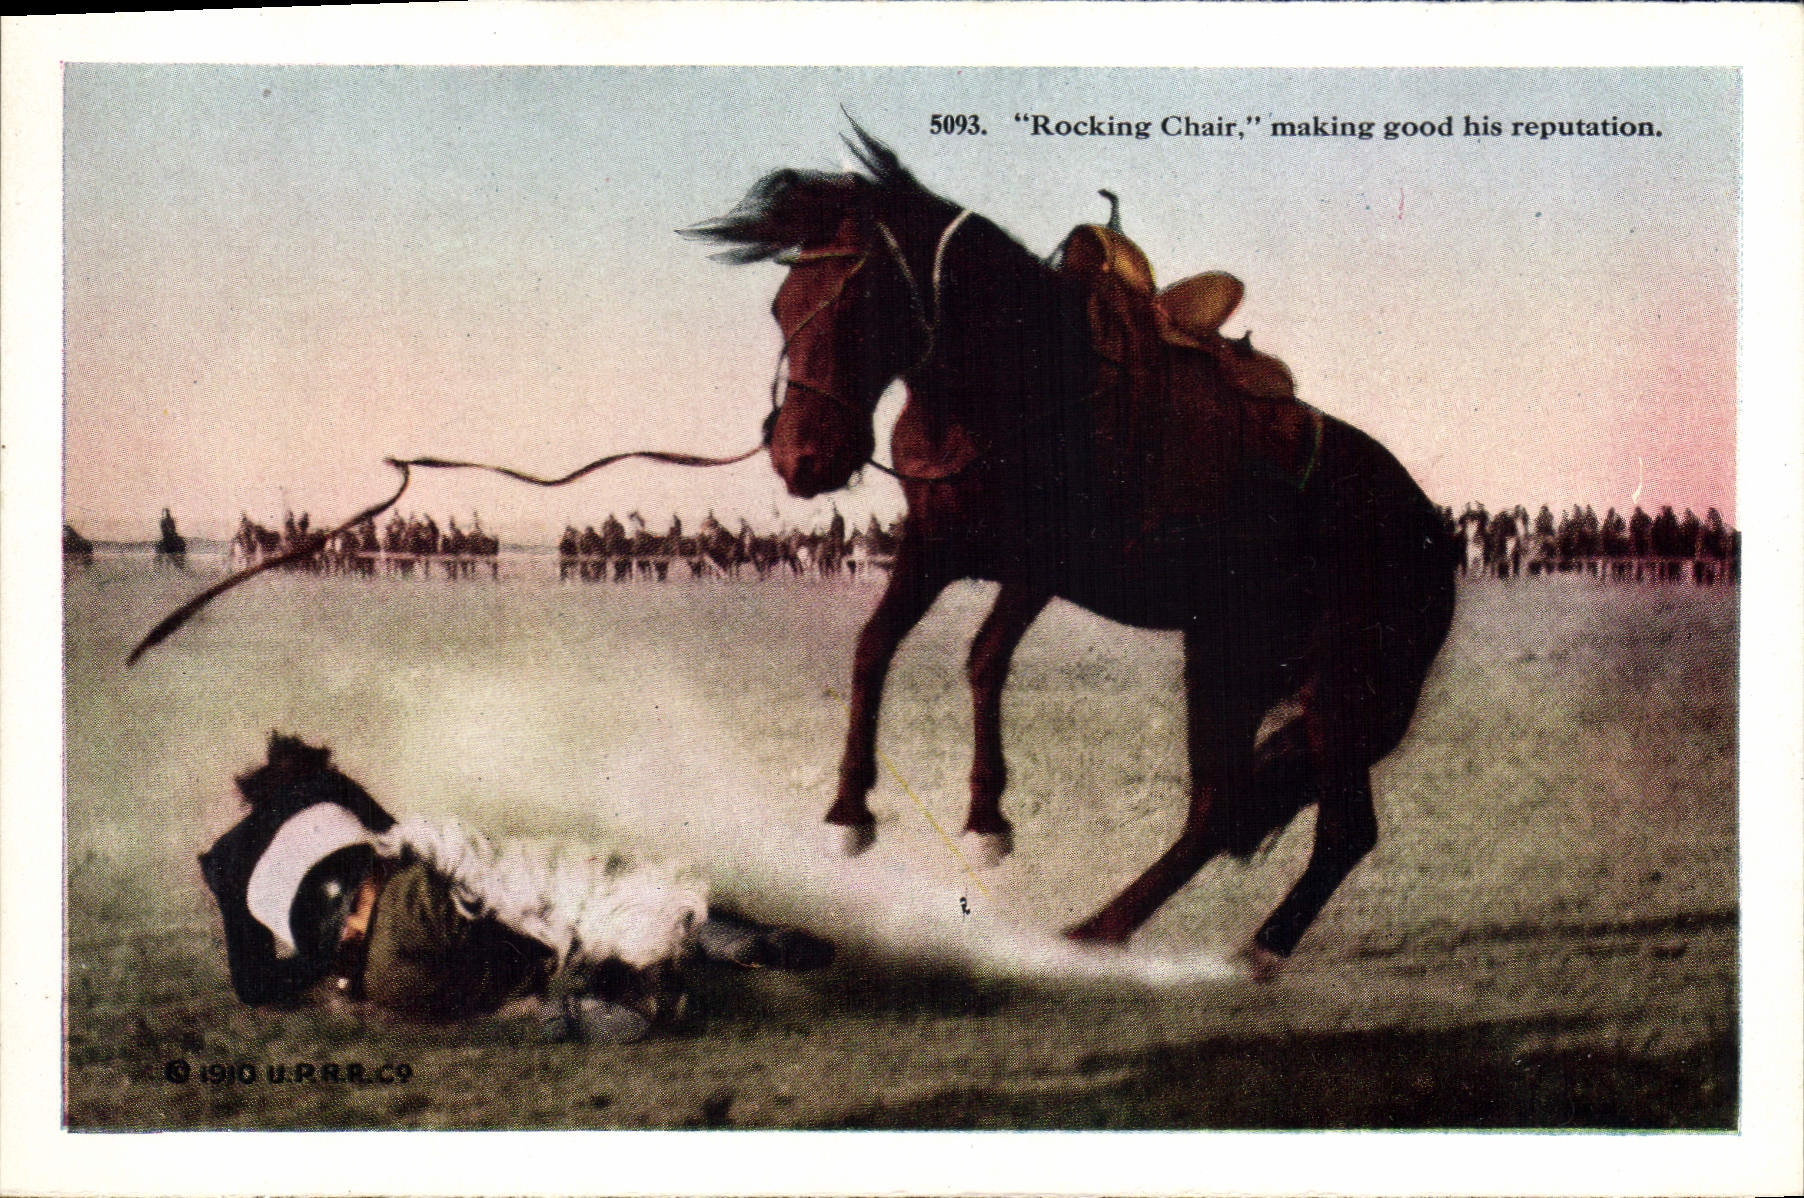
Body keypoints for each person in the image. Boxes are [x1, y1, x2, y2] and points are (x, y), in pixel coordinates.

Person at [200, 733, 833, 1043]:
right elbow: (400, 837)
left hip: (382, 980)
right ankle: (720, 935)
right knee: (568, 892)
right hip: (408, 908)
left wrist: (327, 958)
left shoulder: (225, 862)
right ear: (304, 774)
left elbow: (255, 987)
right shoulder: (322, 788)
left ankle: (565, 1009)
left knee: (508, 988)